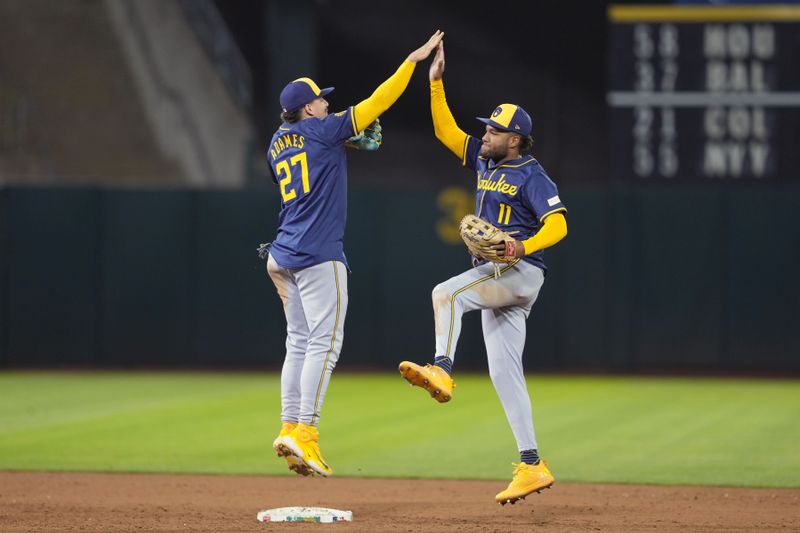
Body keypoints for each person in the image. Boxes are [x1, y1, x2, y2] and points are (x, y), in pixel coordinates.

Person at [263, 30, 445, 478]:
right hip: (317, 255)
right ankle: (305, 434)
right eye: (321, 101)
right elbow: (380, 100)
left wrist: (338, 140)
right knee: (324, 345)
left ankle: (289, 425)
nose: (327, 104)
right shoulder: (324, 128)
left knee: (298, 343)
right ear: (308, 108)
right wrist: (412, 60)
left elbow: (304, 164)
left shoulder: (274, 143)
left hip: (281, 255)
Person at [398, 41, 568, 505]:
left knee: (446, 293)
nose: (486, 134)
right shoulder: (484, 159)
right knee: (505, 371)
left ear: (515, 138)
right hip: (504, 279)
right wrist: (434, 83)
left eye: (495, 130)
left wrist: (521, 244)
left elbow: (559, 223)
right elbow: (445, 131)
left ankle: (443, 369)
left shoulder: (533, 174)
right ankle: (532, 464)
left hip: (519, 269)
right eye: (488, 129)